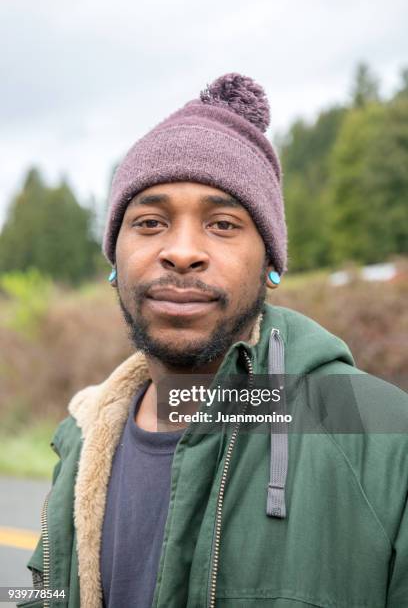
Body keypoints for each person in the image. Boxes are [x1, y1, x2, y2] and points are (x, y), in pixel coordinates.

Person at [21, 73, 407, 608]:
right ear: (114, 262)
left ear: (272, 263)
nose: (182, 251)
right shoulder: (82, 443)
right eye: (151, 222)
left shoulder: (382, 434)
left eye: (222, 224)